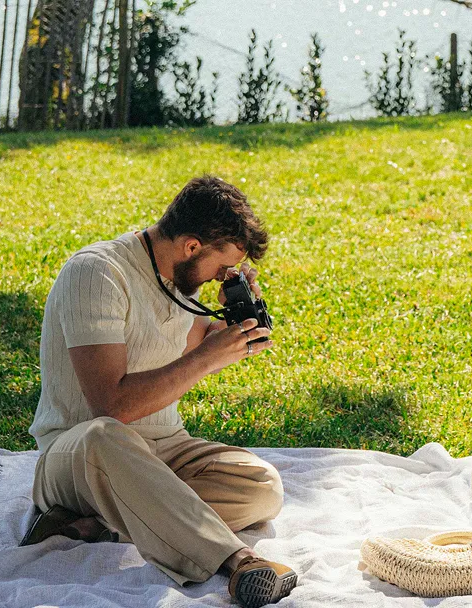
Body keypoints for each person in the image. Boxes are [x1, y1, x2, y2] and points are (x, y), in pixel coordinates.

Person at [23, 176, 297, 607]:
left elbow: (188, 346)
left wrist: (232, 328)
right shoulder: (96, 273)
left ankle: (95, 524)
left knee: (261, 486)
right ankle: (237, 561)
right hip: (82, 454)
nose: (219, 279)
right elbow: (111, 406)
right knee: (104, 433)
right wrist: (208, 358)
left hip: (164, 449)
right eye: (221, 267)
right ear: (191, 247)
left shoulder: (180, 283)